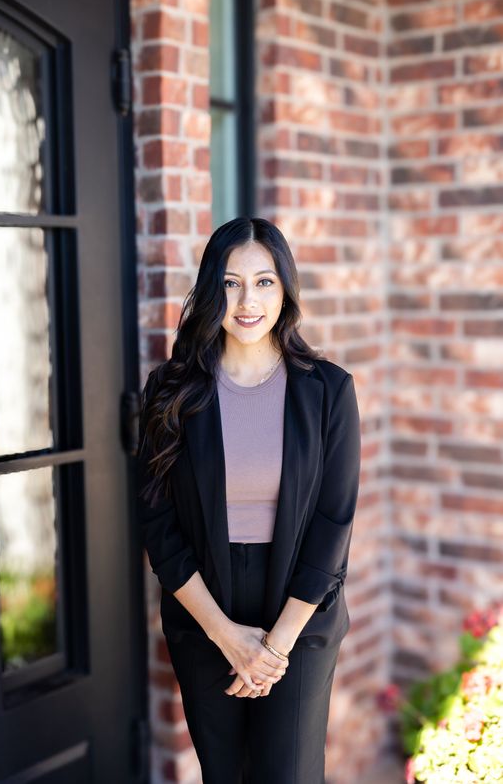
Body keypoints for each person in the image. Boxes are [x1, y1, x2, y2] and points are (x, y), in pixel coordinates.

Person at [137, 216, 361, 784]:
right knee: (227, 776)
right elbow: (158, 525)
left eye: (264, 282)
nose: (247, 300)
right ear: (212, 289)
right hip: (205, 608)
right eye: (231, 282)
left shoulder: (329, 390)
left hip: (300, 609)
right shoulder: (170, 391)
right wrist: (225, 635)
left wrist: (274, 648)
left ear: (285, 290)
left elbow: (333, 525)